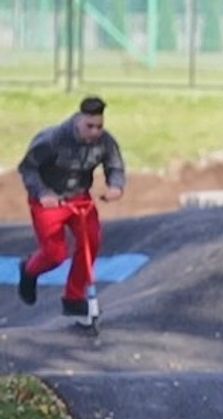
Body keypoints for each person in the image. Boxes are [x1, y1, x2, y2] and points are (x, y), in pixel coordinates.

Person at [17, 95, 125, 317]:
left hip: (80, 199)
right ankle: (28, 270)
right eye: (90, 126)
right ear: (79, 121)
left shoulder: (104, 141)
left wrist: (115, 186)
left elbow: (114, 165)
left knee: (91, 243)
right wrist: (43, 193)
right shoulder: (53, 139)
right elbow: (28, 168)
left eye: (99, 126)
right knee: (55, 254)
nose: (95, 132)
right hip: (49, 201)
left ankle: (74, 299)